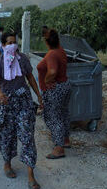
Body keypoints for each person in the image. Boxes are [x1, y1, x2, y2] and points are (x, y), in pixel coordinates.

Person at [0, 32, 43, 189]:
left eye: (15, 42)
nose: (12, 45)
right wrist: (0, 94)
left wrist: (38, 95)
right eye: (9, 43)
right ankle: (7, 164)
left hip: (23, 102)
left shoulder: (23, 59)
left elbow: (30, 78)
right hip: (6, 102)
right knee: (7, 135)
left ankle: (31, 176)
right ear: (3, 45)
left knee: (27, 136)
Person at [36, 29, 71, 159]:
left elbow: (52, 71)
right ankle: (65, 140)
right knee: (63, 113)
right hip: (65, 86)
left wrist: (46, 80)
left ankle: (59, 147)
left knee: (52, 116)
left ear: (46, 41)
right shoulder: (60, 50)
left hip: (55, 89)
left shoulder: (51, 54)